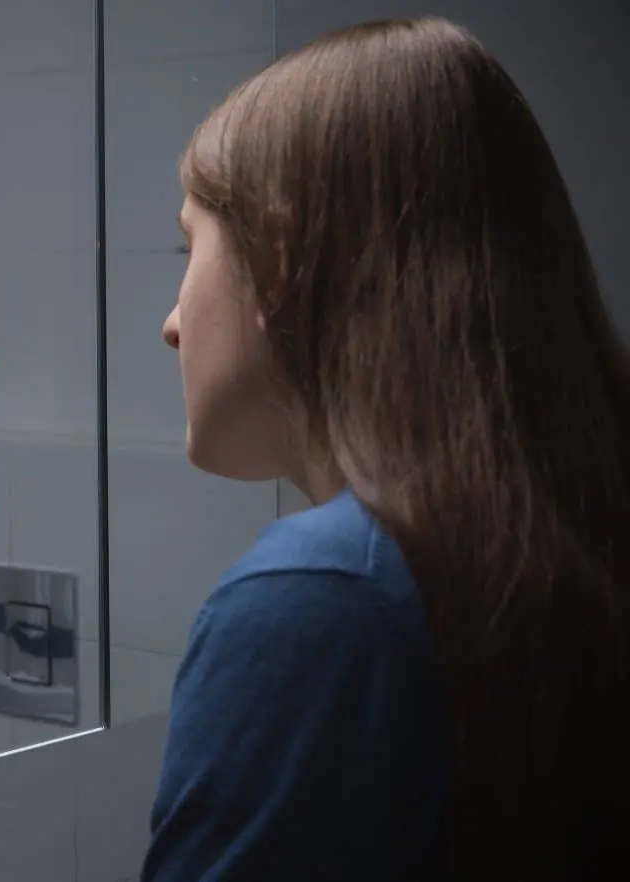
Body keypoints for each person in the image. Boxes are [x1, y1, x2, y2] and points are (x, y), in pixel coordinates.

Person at [144, 16, 629, 882]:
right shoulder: (570, 540)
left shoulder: (320, 598)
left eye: (190, 247)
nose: (172, 324)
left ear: (279, 259)